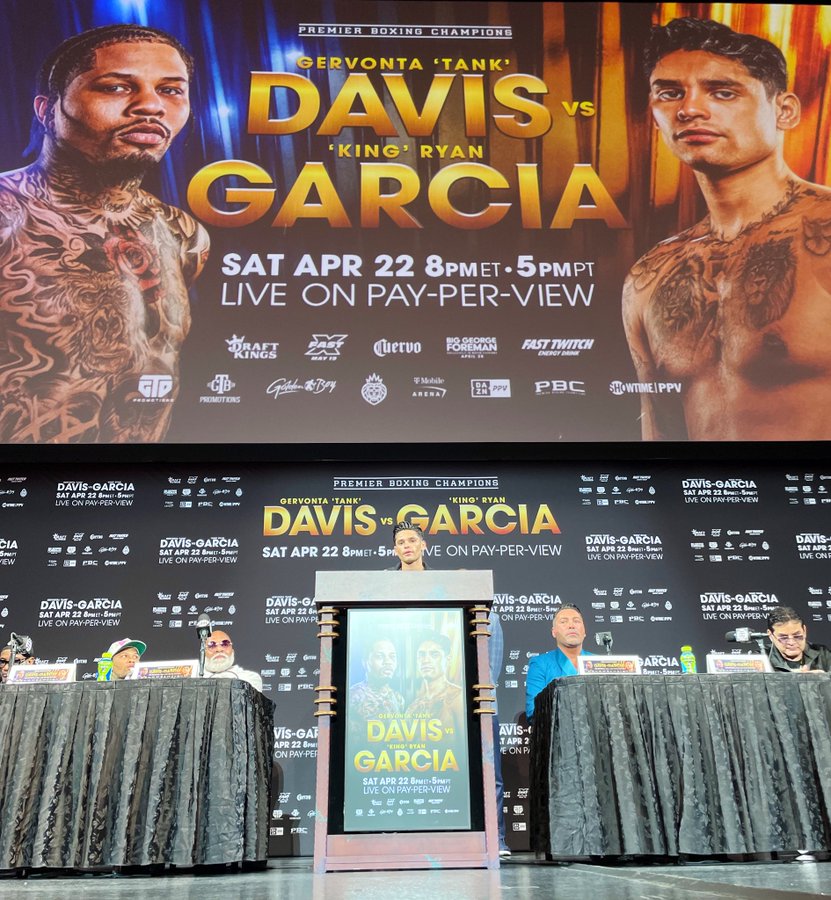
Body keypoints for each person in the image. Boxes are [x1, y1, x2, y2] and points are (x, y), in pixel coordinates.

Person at [622, 17, 831, 440]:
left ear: (785, 111)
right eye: (669, 93)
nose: (689, 110)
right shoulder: (649, 276)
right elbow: (657, 437)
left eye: (722, 92)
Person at [0, 24, 209, 443]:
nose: (151, 106)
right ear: (46, 110)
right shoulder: (7, 216)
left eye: (171, 90)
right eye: (115, 87)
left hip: (139, 476)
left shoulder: (184, 234)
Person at [525, 603, 591, 720]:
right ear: (554, 632)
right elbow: (533, 711)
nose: (571, 626)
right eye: (563, 622)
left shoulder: (598, 662)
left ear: (584, 631)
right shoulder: (540, 664)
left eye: (576, 621)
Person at [405, 630, 465, 737]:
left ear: (448, 659)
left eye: (434, 654)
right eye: (421, 655)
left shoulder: (458, 697)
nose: (426, 660)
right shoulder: (413, 707)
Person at [766, 606, 831, 672]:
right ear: (770, 635)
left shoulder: (823, 655)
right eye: (784, 638)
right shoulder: (763, 658)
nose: (791, 642)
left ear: (804, 631)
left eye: (797, 636)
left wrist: (822, 677)